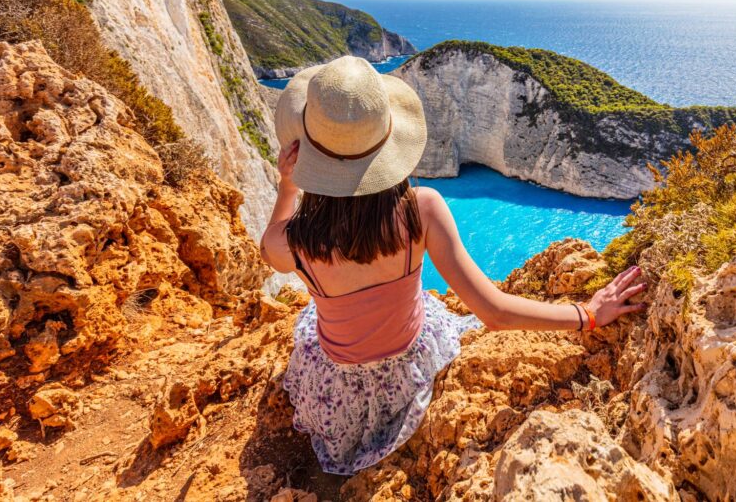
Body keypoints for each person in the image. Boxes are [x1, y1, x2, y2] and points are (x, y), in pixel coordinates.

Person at [259, 55, 645, 475]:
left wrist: (286, 188)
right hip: (409, 373)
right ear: (387, 143)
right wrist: (587, 314)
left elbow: (269, 250)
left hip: (337, 395)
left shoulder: (299, 240)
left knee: (313, 316)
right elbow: (494, 312)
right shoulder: (421, 210)